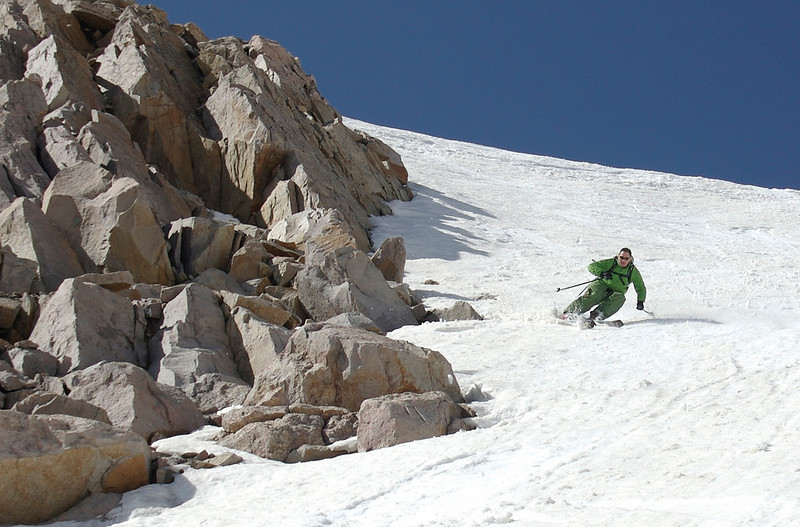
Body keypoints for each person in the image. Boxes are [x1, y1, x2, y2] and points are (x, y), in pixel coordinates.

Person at [562, 247, 646, 327]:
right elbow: (592, 266)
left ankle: (596, 316)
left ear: (630, 259)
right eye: (621, 257)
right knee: (595, 295)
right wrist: (601, 273)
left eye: (626, 258)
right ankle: (569, 313)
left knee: (620, 298)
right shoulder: (611, 263)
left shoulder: (632, 271)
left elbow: (640, 287)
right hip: (602, 285)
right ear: (618, 256)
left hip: (616, 292)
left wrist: (640, 301)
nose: (623, 260)